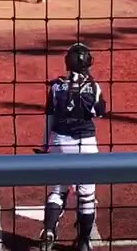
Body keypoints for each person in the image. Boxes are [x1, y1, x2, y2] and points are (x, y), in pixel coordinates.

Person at [37, 43, 107, 251]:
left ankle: (49, 229)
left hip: (59, 142)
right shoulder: (94, 87)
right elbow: (99, 113)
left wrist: (46, 144)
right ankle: (84, 242)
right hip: (85, 145)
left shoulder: (56, 86)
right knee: (86, 194)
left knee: (57, 189)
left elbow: (50, 117)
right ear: (88, 62)